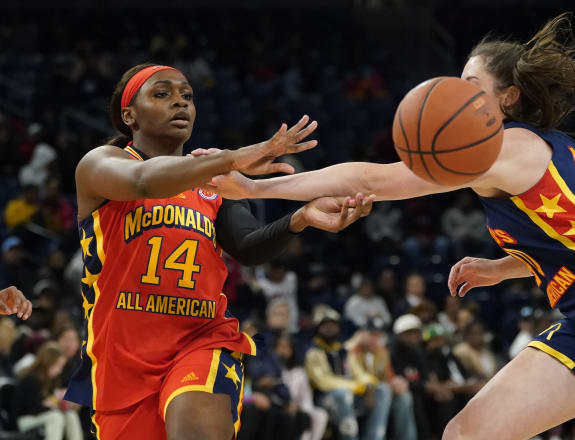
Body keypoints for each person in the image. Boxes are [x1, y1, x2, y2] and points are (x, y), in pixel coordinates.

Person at [205, 13, 575, 439]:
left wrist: (253, 189)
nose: (458, 95)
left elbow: (371, 179)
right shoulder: (522, 153)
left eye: (471, 85)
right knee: (464, 433)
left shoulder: (504, 150)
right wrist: (502, 268)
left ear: (508, 97)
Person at [63, 63, 374, 440]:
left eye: (187, 96)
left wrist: (301, 218)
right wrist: (234, 157)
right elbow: (144, 182)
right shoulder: (101, 164)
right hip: (122, 356)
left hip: (201, 338)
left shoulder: (213, 183)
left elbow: (247, 246)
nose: (180, 102)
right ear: (130, 115)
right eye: (162, 94)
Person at [304, 305, 390, 440]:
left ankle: (374, 437)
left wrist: (369, 383)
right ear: (318, 328)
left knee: (382, 389)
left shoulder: (344, 351)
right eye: (325, 325)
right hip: (323, 399)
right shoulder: (313, 351)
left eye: (333, 325)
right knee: (342, 395)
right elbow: (323, 382)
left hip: (349, 394)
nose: (329, 328)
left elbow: (358, 372)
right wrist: (355, 387)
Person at [12, 341, 84, 440]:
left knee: (70, 415)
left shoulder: (51, 380)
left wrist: (60, 401)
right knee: (56, 417)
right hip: (24, 419)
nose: (60, 370)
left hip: (41, 415)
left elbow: (49, 403)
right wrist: (46, 404)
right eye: (58, 366)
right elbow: (25, 408)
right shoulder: (30, 379)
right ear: (48, 363)